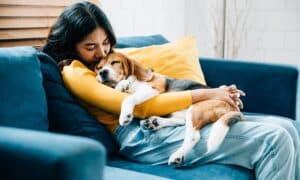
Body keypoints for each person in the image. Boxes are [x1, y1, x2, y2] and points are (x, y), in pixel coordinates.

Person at [42, 2, 300, 180]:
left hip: (166, 121)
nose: (102, 53)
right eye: (91, 47)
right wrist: (209, 94)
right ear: (70, 45)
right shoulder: (76, 73)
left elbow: (146, 79)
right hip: (141, 137)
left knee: (288, 129)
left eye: (106, 43)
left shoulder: (109, 60)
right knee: (274, 140)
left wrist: (215, 94)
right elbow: (141, 107)